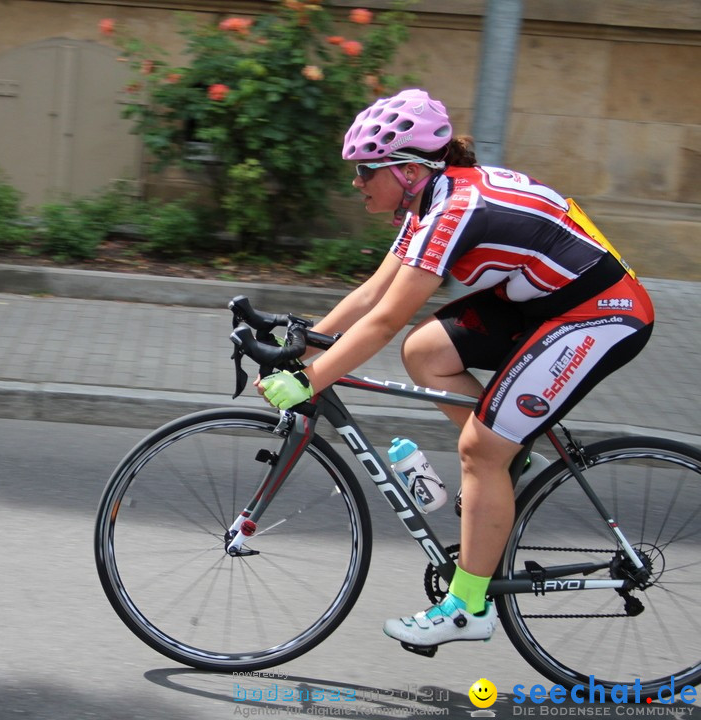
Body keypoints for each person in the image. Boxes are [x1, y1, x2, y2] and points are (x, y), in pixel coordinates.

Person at [255, 88, 655, 651]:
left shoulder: (453, 209)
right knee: (427, 354)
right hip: (543, 302)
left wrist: (308, 381)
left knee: (480, 450)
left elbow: (387, 318)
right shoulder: (430, 201)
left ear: (409, 170)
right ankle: (508, 459)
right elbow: (374, 292)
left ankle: (469, 606)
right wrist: (302, 350)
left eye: (366, 170)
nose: (356, 182)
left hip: (600, 314)